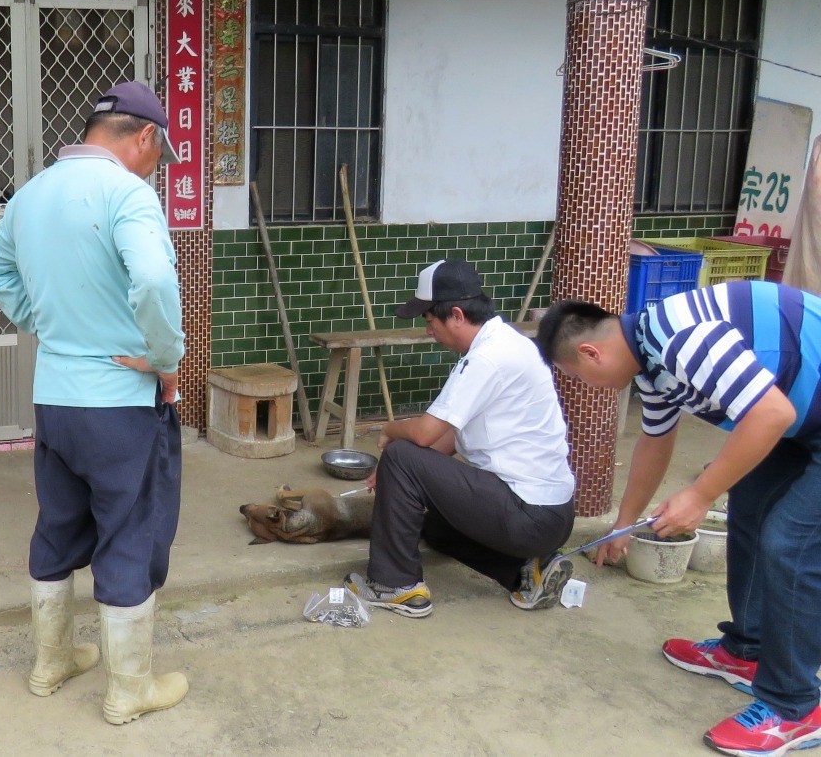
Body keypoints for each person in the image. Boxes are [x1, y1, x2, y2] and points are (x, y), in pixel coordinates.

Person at [0, 81, 187, 725]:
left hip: (56, 399)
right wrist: (166, 357)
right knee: (130, 529)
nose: (157, 168)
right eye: (160, 154)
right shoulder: (129, 193)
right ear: (144, 137)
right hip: (120, 401)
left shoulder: (32, 193)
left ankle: (51, 661)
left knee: (60, 522)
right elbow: (151, 277)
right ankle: (130, 690)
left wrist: (45, 322)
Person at [536, 284, 821, 756]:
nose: (587, 387)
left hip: (792, 418)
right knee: (749, 507)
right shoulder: (651, 357)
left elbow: (771, 413)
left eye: (579, 376)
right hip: (801, 422)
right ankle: (747, 650)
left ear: (591, 352)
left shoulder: (681, 338)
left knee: (789, 543)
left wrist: (700, 493)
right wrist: (621, 526)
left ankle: (795, 708)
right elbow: (656, 442)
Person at [343, 258, 577, 618]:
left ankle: (395, 585)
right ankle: (525, 573)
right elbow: (451, 436)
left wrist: (389, 432)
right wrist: (398, 482)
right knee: (428, 522)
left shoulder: (488, 358)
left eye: (429, 321)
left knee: (402, 453)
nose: (428, 331)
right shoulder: (508, 342)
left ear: (455, 314)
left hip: (527, 512)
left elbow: (423, 434)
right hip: (549, 514)